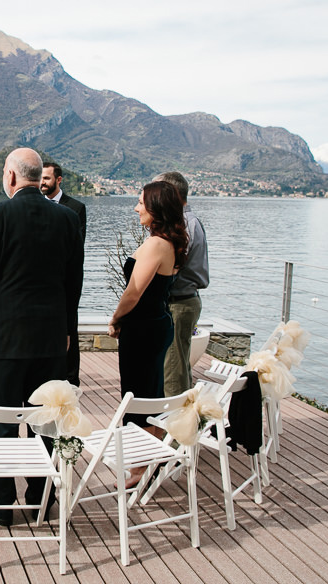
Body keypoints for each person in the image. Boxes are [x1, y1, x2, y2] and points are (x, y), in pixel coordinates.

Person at [0, 148, 83, 526]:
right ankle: (42, 499)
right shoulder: (67, 219)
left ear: (11, 177)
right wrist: (66, 330)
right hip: (50, 340)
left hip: (5, 339)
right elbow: (72, 283)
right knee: (47, 421)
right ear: (38, 176)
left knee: (3, 418)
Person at [107, 180, 188, 487]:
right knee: (150, 392)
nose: (136, 207)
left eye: (141, 202)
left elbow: (134, 292)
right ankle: (150, 459)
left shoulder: (156, 245)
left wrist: (115, 319)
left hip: (144, 329)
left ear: (156, 207)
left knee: (137, 394)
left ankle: (140, 468)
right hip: (154, 325)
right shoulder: (164, 241)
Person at [155, 172, 210, 396]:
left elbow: (172, 268)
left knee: (173, 369)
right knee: (177, 365)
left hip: (179, 302)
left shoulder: (185, 225)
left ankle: (175, 425)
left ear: (172, 194)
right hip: (182, 300)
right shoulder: (186, 222)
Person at [41, 161, 87, 386]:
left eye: (47, 179)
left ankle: (71, 380)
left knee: (70, 330)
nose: (42, 183)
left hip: (65, 281)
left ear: (59, 180)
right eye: (40, 178)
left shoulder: (75, 208)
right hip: (41, 283)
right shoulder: (35, 205)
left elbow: (77, 250)